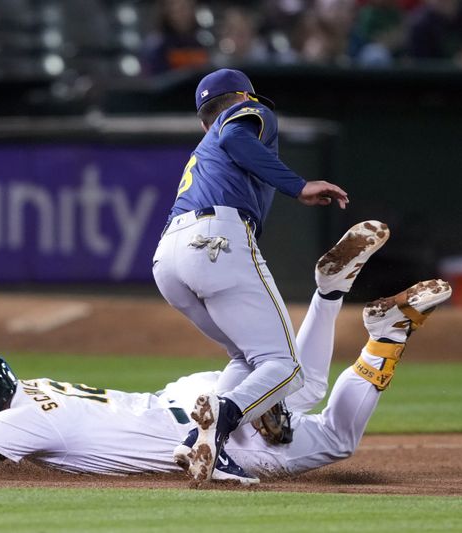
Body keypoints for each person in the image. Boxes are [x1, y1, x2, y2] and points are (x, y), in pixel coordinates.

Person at [0, 223, 452, 485]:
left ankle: (380, 330)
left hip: (193, 429)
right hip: (181, 398)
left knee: (334, 434)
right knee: (297, 385)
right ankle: (333, 295)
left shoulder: (13, 423)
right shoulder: (38, 387)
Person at [150, 67, 349, 482]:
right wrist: (299, 185)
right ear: (243, 97)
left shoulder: (205, 143)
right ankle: (222, 418)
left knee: (249, 357)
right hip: (214, 239)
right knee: (285, 365)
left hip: (167, 258)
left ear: (202, 119)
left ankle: (199, 443)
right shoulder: (247, 111)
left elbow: (226, 141)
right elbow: (238, 137)